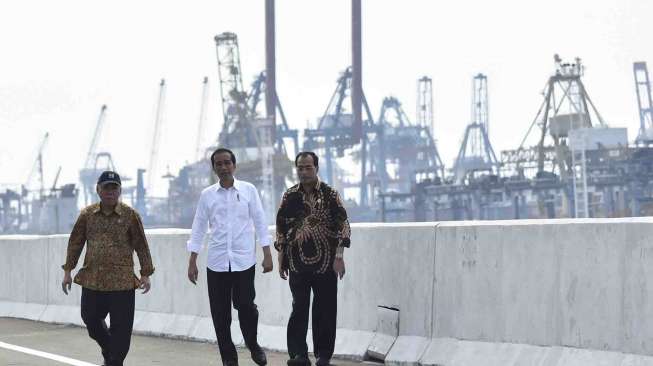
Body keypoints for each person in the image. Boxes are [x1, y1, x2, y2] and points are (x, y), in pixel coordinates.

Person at [187, 148, 273, 366]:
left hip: (244, 262)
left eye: (227, 163)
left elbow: (260, 221)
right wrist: (192, 260)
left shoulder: (248, 190)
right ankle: (229, 358)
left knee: (246, 308)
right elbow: (198, 227)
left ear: (234, 165)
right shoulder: (207, 195)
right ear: (214, 168)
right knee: (220, 314)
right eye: (219, 164)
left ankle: (253, 344)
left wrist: (267, 253)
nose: (223, 167)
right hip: (216, 264)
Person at [61, 170, 155, 366]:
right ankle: (109, 350)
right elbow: (75, 243)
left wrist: (145, 273)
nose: (110, 192)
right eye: (106, 188)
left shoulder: (130, 215)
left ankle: (113, 360)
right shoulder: (87, 215)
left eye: (114, 188)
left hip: (122, 284)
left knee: (121, 334)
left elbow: (141, 244)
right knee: (91, 321)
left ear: (120, 190)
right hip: (92, 281)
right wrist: (68, 271)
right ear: (98, 190)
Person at [275, 152, 351, 366]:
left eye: (308, 167)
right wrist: (281, 255)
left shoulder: (330, 194)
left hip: (326, 264)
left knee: (325, 309)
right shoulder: (290, 196)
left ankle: (323, 355)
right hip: (297, 263)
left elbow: (343, 225)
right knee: (299, 307)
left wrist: (339, 255)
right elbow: (281, 227)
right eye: (300, 168)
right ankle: (299, 354)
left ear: (316, 168)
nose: (304, 172)